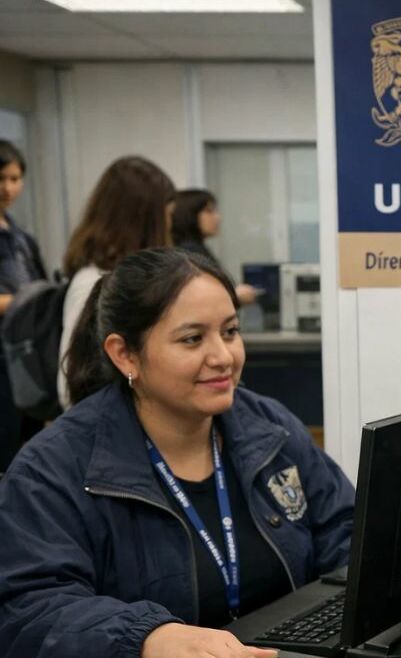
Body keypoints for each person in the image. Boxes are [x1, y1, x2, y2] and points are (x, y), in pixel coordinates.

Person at [0, 248, 355, 657]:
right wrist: (145, 637)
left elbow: (344, 529)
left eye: (230, 331)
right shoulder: (53, 468)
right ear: (125, 354)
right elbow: (28, 611)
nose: (223, 357)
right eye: (192, 339)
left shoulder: (267, 425)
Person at [58, 155, 175, 410]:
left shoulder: (141, 281)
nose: (169, 224)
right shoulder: (92, 283)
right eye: (166, 214)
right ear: (144, 219)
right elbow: (70, 385)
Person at [0, 139, 49, 465]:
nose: (7, 188)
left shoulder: (21, 236)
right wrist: (23, 300)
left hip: (23, 354)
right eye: (1, 179)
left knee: (27, 445)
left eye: (15, 179)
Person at [172, 188, 257, 305]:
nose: (218, 217)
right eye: (209, 211)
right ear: (189, 215)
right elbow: (200, 301)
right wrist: (236, 296)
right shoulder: (190, 252)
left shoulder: (196, 247)